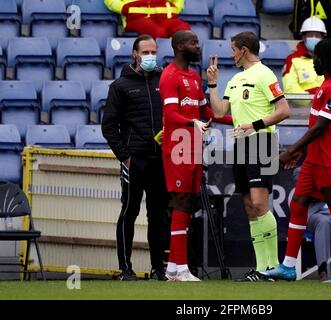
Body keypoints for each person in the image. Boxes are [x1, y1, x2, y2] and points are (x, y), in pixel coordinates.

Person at [263, 39, 331, 284]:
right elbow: (315, 127)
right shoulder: (326, 84)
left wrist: (291, 149)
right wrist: (300, 153)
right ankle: (288, 267)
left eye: (316, 56)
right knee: (298, 204)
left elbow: (322, 126)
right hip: (313, 158)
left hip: (329, 159)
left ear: (324, 59)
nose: (313, 60)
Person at [207, 31, 291, 281]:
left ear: (244, 50)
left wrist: (253, 126)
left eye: (233, 49)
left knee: (260, 203)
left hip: (261, 141)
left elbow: (283, 109)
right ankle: (261, 267)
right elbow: (220, 109)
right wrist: (212, 84)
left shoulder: (265, 74)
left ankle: (272, 267)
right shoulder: (234, 79)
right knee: (249, 206)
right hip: (241, 145)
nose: (231, 54)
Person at [159, 30, 232, 282]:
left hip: (193, 148)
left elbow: (207, 111)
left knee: (187, 207)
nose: (197, 46)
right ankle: (181, 269)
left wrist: (244, 120)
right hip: (177, 149)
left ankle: (173, 268)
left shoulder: (192, 76)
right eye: (192, 42)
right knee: (180, 204)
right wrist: (193, 123)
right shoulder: (169, 76)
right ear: (179, 46)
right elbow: (170, 115)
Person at [102, 34, 170, 281]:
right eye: (145, 52)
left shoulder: (165, 80)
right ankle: (125, 268)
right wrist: (126, 157)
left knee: (158, 215)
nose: (150, 56)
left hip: (161, 161)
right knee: (129, 212)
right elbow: (108, 126)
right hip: (135, 161)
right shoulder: (120, 86)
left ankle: (158, 268)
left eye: (154, 52)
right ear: (135, 54)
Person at [282, 16, 326, 94]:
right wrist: (312, 100)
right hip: (302, 106)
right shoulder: (292, 60)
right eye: (310, 35)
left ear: (322, 38)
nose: (314, 38)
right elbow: (290, 88)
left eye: (317, 35)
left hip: (328, 104)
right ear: (303, 37)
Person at [104, 0, 190, 39]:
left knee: (183, 30)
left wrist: (176, 8)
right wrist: (123, 8)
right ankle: (163, 66)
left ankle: (182, 67)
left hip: (164, 17)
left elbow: (179, 1)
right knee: (158, 32)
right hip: (137, 18)